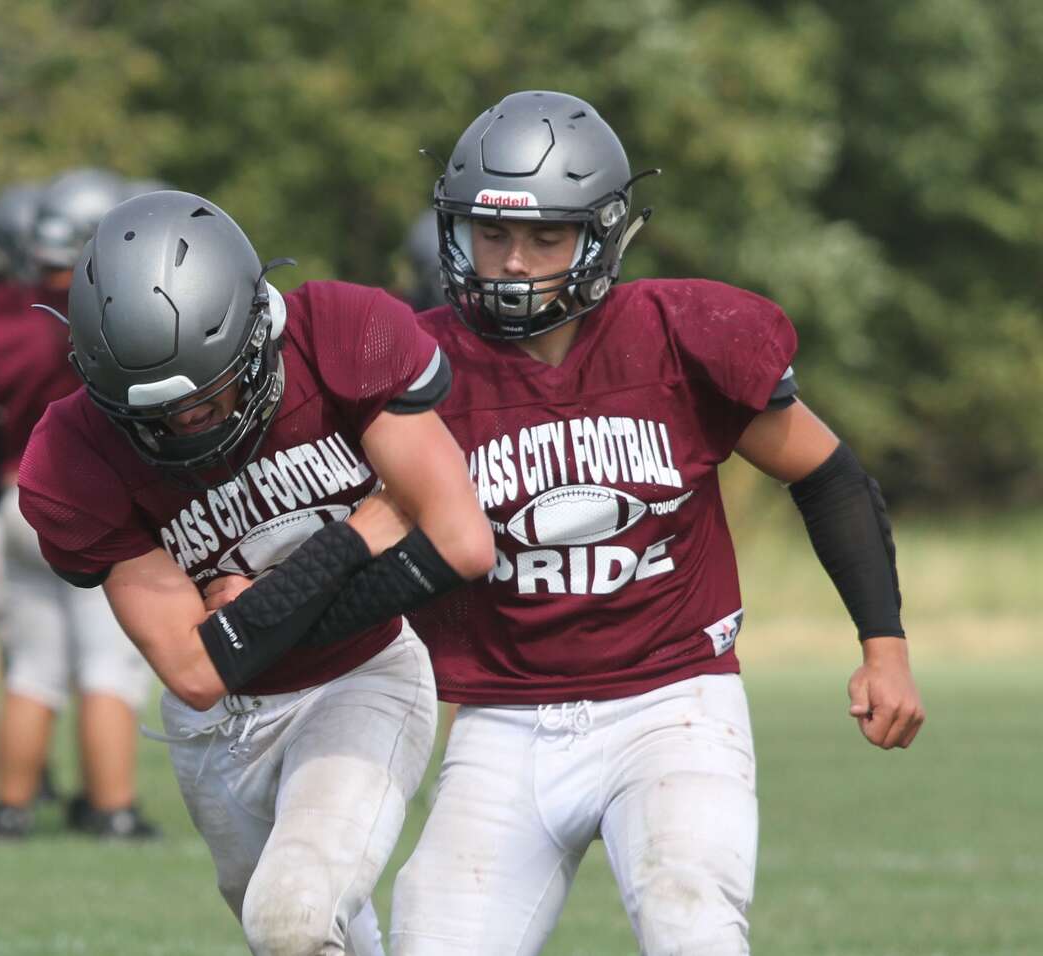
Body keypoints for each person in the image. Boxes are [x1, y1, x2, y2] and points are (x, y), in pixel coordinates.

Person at [390, 90, 926, 955]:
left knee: (692, 923)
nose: (512, 262)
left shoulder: (677, 337)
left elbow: (828, 474)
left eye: (543, 236)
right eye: (491, 234)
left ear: (601, 236)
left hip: (671, 703)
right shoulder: (419, 365)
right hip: (503, 719)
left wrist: (884, 645)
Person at [16, 189, 493, 954]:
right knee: (307, 932)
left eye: (207, 398)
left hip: (361, 679)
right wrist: (349, 544)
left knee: (293, 913)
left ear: (255, 332)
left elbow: (462, 544)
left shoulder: (341, 335)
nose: (184, 427)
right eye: (154, 416)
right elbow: (198, 672)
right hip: (217, 730)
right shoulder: (71, 455)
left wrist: (255, 614)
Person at [0, 169, 162, 839]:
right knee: (106, 664)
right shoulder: (118, 306)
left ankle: (11, 810)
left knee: (33, 670)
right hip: (93, 498)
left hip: (14, 496)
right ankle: (113, 808)